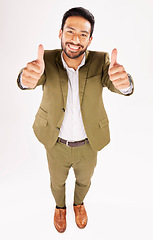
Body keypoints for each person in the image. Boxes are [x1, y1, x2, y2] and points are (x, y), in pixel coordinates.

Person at [17, 7, 134, 233]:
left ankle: (78, 204)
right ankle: (60, 207)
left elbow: (116, 82)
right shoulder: (47, 60)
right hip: (56, 142)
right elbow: (32, 76)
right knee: (57, 182)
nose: (75, 40)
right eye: (70, 32)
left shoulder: (101, 61)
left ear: (90, 39)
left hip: (89, 143)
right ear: (60, 33)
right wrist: (24, 79)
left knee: (84, 181)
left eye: (83, 35)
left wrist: (125, 83)